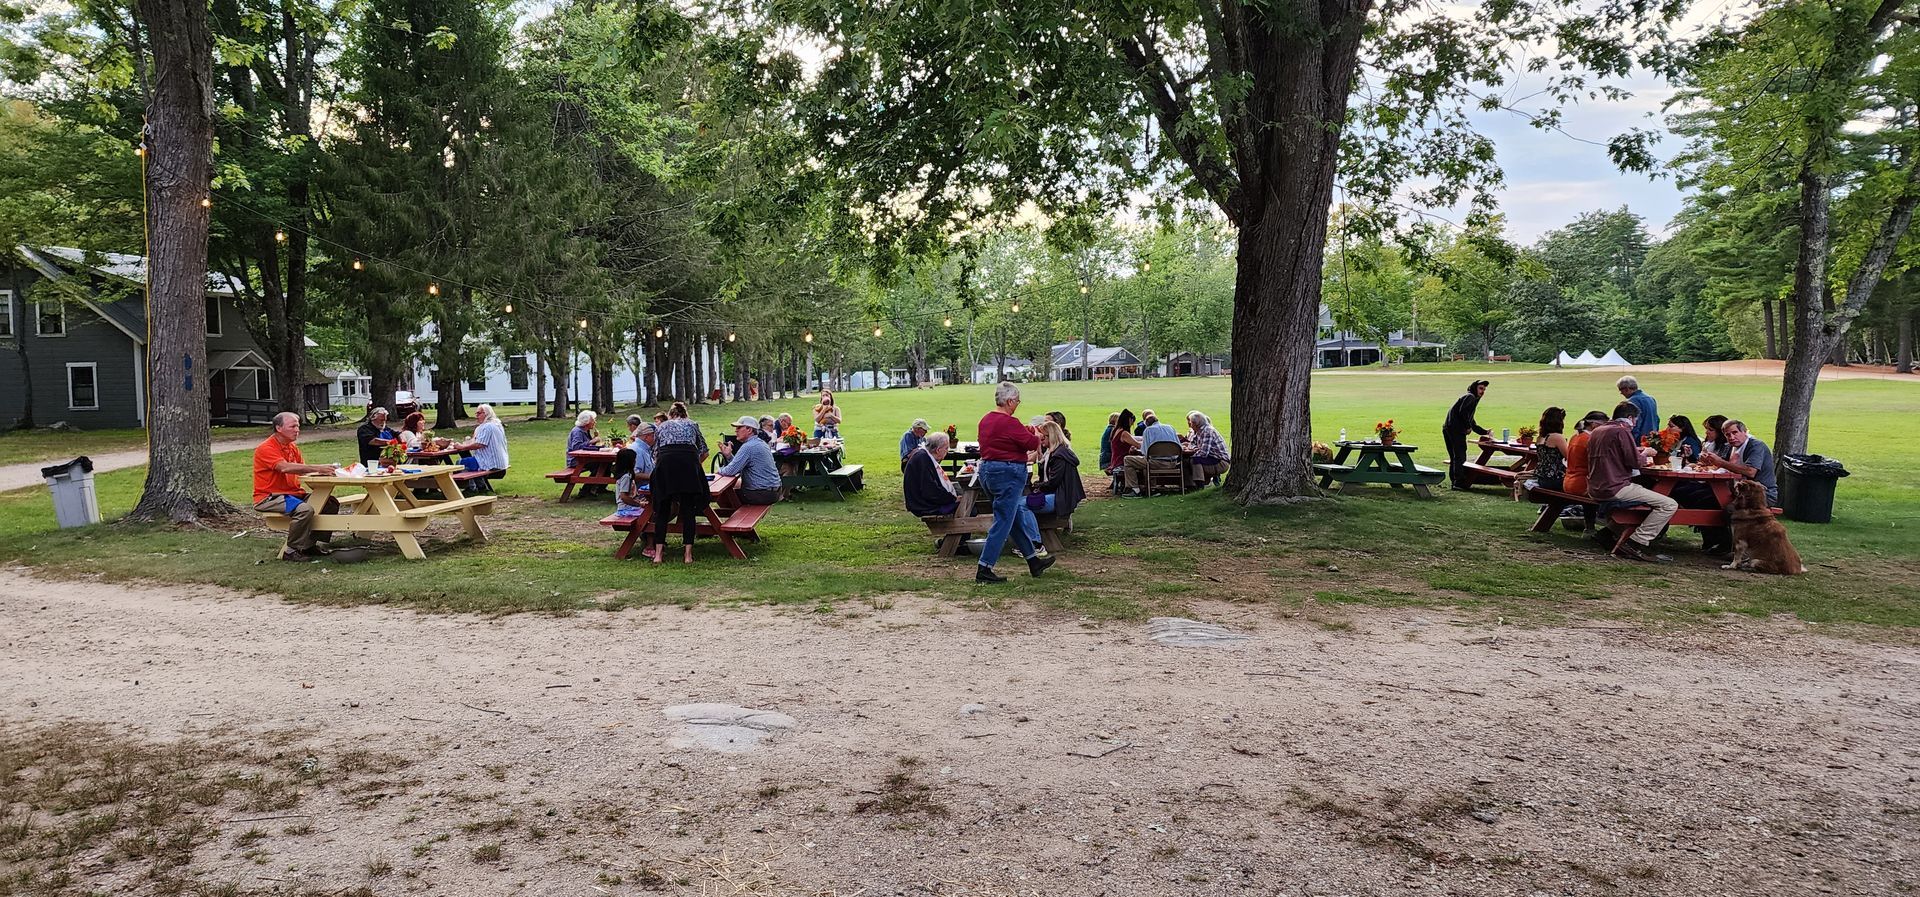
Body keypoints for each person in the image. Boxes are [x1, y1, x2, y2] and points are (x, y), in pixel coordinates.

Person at [974, 381, 1054, 583]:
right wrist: (1035, 434)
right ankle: (985, 567)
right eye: (1017, 401)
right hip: (1008, 474)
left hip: (987, 471)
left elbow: (1006, 436)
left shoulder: (985, 420)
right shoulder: (1010, 422)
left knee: (1013, 517)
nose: (1018, 404)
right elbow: (1030, 443)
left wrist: (1026, 429)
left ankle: (1033, 561)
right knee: (1003, 520)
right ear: (1009, 401)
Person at [1587, 402, 1676, 563]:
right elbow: (1635, 462)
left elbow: (1614, 453)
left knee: (1645, 495)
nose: (1634, 424)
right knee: (1668, 504)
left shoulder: (1598, 431)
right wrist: (1647, 452)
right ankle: (1637, 542)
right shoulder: (1621, 431)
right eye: (1635, 420)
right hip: (1616, 486)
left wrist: (1637, 450)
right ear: (1629, 417)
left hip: (1596, 486)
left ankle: (1607, 534)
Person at [252, 412, 342, 561]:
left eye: (298, 426)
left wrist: (323, 479)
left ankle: (309, 545)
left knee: (330, 502)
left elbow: (302, 470)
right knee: (304, 510)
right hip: (270, 497)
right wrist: (318, 468)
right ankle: (291, 550)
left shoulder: (292, 447)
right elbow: (285, 468)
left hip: (293, 494)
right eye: (293, 426)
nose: (297, 430)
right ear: (279, 428)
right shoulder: (266, 448)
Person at [647, 402, 710, 564]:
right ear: (684, 414)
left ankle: (658, 555)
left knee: (662, 509)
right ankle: (688, 555)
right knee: (688, 510)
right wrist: (695, 466)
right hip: (688, 463)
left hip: (666, 462)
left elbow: (656, 453)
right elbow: (704, 450)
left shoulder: (661, 426)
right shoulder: (693, 424)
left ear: (670, 414)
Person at [1702, 419, 1778, 505]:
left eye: (1735, 433)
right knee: (1697, 495)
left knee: (1724, 509)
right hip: (1738, 491)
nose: (1732, 437)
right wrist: (1709, 461)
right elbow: (1722, 466)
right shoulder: (1730, 446)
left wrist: (1721, 462)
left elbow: (1750, 471)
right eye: (1728, 435)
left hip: (1761, 494)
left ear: (1745, 432)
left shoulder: (1756, 446)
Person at [718, 415, 785, 505]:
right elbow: (738, 466)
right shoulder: (760, 443)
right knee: (732, 493)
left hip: (762, 493)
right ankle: (739, 516)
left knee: (723, 496)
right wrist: (729, 456)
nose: (736, 430)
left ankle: (739, 518)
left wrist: (718, 471)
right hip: (773, 492)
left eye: (739, 427)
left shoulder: (748, 447)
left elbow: (730, 471)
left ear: (749, 430)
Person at [1559, 410, 1609, 525]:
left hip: (1568, 482)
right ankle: (1609, 523)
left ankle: (1590, 527)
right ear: (1594, 425)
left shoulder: (1575, 437)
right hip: (1582, 485)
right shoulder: (1590, 440)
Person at [1028, 419, 1084, 516]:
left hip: (1060, 497)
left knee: (1021, 506)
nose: (1041, 442)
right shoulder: (1052, 452)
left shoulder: (1059, 456)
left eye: (1042, 438)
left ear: (1051, 437)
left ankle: (1032, 531)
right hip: (1060, 494)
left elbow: (1053, 483)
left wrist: (1038, 486)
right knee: (1020, 504)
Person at [1443, 380, 1492, 490]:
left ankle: (1455, 482)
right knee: (1460, 456)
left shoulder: (1470, 398)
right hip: (1455, 430)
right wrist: (1467, 427)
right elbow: (1463, 413)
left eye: (1484, 389)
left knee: (1455, 456)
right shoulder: (1470, 397)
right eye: (1480, 388)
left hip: (1449, 428)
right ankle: (1458, 483)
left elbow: (1470, 419)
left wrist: (1484, 432)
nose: (1483, 391)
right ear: (1475, 388)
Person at [1123, 411, 1183, 495]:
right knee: (1146, 462)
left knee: (1128, 460)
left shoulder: (1148, 430)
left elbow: (1145, 452)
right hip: (1173, 463)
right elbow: (1179, 447)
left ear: (1146, 424)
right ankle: (1151, 489)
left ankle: (1134, 489)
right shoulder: (1170, 427)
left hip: (1156, 463)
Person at [448, 403, 510, 483]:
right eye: (476, 413)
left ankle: (469, 487)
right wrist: (464, 444)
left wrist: (462, 447)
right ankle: (480, 486)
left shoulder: (487, 426)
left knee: (460, 463)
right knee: (469, 462)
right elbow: (475, 440)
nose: (476, 416)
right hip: (501, 462)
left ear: (487, 414)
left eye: (479, 413)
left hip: (490, 463)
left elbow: (479, 444)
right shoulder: (497, 425)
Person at [903, 432, 959, 517]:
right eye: (946, 448)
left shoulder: (925, 456)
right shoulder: (922, 459)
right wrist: (953, 499)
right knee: (967, 507)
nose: (947, 451)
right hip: (924, 506)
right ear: (938, 450)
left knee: (964, 500)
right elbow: (930, 491)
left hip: (924, 501)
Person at [1523, 407, 1569, 493]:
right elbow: (1569, 457)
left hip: (1542, 476)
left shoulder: (1540, 438)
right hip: (1555, 478)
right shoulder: (1557, 437)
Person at [566, 410, 606, 497]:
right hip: (576, 460)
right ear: (586, 422)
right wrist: (592, 441)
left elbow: (586, 447)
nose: (595, 422)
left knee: (606, 463)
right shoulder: (578, 431)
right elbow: (576, 448)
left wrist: (594, 442)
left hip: (584, 459)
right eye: (593, 420)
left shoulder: (585, 430)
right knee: (601, 465)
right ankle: (585, 490)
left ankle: (600, 488)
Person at [1185, 411, 1230, 487]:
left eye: (1191, 423)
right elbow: (1192, 443)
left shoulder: (1207, 431)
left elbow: (1203, 453)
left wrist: (1190, 452)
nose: (1190, 425)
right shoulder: (1199, 431)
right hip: (1211, 458)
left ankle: (1199, 486)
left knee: (1194, 460)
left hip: (1220, 461)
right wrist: (1195, 448)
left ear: (1196, 424)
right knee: (1186, 460)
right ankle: (1189, 485)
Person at [1617, 376, 1658, 443]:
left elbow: (1634, 424)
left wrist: (1630, 441)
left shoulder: (1632, 401)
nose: (1621, 393)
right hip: (1652, 438)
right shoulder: (1651, 399)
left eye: (1621, 390)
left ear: (1627, 389)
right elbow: (1657, 419)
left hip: (1640, 440)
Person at [611, 448, 647, 520]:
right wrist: (639, 504)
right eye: (634, 460)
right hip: (626, 509)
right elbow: (623, 497)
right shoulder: (626, 477)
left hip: (629, 507)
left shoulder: (628, 475)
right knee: (649, 514)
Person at [1109, 409, 1140, 480]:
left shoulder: (1116, 430)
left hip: (1116, 460)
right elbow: (1138, 445)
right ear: (1129, 420)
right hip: (1121, 461)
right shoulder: (1124, 433)